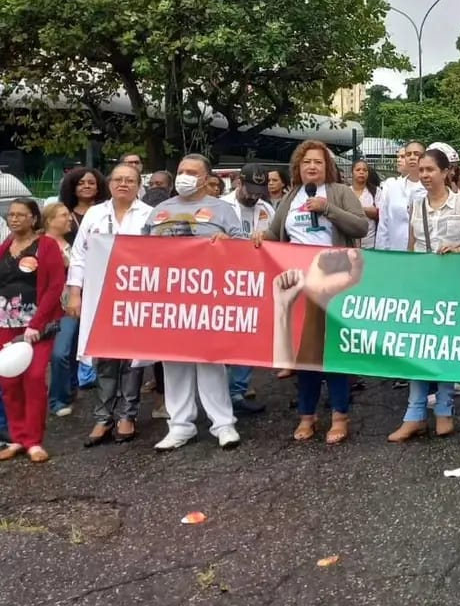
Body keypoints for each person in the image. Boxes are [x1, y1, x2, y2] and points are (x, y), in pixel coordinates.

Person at [259, 140, 368, 443]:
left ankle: (339, 416)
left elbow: (360, 227)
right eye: (306, 162)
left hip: (332, 280)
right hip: (298, 281)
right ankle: (307, 416)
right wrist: (259, 237)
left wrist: (328, 209)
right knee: (304, 354)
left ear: (327, 167)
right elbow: (274, 232)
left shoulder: (340, 193)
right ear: (298, 167)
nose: (312, 167)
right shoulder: (292, 196)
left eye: (318, 162)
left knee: (332, 353)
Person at [143, 155, 248, 452]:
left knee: (209, 360)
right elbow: (140, 251)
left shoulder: (223, 209)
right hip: (169, 299)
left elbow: (242, 248)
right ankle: (180, 426)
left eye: (192, 172)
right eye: (181, 171)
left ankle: (223, 424)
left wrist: (227, 245)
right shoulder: (160, 211)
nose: (184, 176)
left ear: (205, 178)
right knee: (173, 362)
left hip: (207, 298)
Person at [388, 148, 460, 442]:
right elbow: (411, 245)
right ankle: (414, 414)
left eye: (430, 169)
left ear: (445, 172)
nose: (425, 175)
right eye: (421, 170)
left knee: (445, 348)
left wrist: (457, 250)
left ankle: (445, 409)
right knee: (418, 349)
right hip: (422, 288)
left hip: (453, 287)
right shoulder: (415, 206)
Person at [68, 164, 153, 445]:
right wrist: (75, 291)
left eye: (130, 180)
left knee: (132, 357)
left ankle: (127, 415)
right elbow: (79, 255)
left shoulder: (149, 215)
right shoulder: (95, 213)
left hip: (136, 296)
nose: (123, 184)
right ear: (110, 183)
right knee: (105, 356)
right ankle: (103, 417)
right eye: (118, 179)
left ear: (139, 185)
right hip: (100, 295)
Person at [0, 199, 66, 463]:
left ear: (34, 219)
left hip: (36, 326)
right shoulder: (5, 246)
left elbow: (54, 285)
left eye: (21, 215)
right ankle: (17, 437)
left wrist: (37, 324)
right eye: (11, 215)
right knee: (9, 381)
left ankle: (34, 441)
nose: (14, 219)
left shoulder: (46, 246)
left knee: (35, 377)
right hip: (5, 323)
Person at [223, 165, 276, 415]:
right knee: (222, 338)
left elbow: (278, 242)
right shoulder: (220, 207)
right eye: (250, 190)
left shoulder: (266, 209)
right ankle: (218, 393)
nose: (254, 196)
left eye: (259, 191)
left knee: (248, 336)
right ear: (238, 183)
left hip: (254, 283)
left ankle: (237, 391)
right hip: (223, 282)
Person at [41, 203, 75, 416]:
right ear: (49, 220)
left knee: (64, 353)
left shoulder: (71, 243)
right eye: (64, 216)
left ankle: (61, 396)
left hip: (69, 306)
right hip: (45, 307)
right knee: (56, 354)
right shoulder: (39, 245)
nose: (69, 219)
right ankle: (57, 399)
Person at [375, 140, 426, 251]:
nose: (412, 157)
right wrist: (381, 250)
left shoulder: (429, 188)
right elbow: (384, 222)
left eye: (417, 154)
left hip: (422, 252)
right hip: (395, 250)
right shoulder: (393, 187)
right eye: (408, 154)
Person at [58, 166, 109, 244]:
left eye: (91, 183)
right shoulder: (64, 213)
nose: (86, 186)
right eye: (80, 183)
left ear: (98, 188)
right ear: (72, 189)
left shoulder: (108, 211)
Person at [349, 159, 382, 249]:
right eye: (358, 170)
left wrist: (357, 209)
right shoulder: (346, 191)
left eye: (364, 170)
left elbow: (378, 213)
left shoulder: (375, 191)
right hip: (350, 243)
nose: (361, 172)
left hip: (370, 242)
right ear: (352, 172)